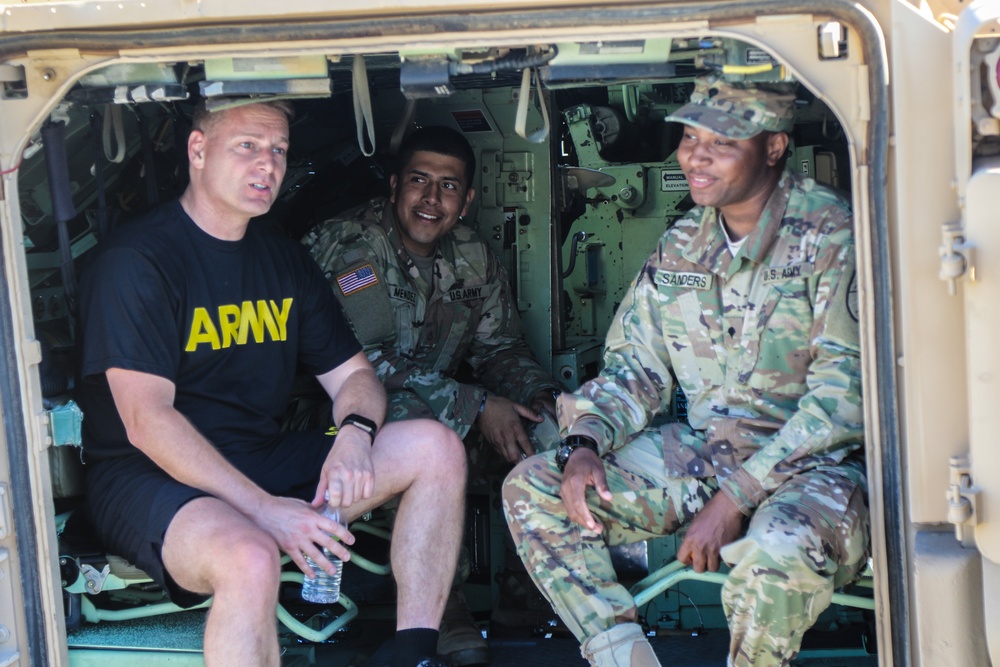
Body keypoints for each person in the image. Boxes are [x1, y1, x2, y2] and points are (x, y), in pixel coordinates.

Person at [76, 99, 465, 667]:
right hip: (147, 477)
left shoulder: (281, 258)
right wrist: (264, 509)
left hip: (258, 456)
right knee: (251, 555)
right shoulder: (139, 260)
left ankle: (413, 654)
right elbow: (146, 420)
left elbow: (355, 376)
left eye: (279, 151)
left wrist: (355, 434)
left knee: (436, 448)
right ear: (198, 151)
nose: (268, 165)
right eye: (248, 147)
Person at [503, 76, 869, 667]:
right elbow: (635, 366)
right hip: (709, 453)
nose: (694, 155)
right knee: (536, 488)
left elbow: (843, 403)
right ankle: (622, 658)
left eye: (720, 142)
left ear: (774, 147)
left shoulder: (833, 235)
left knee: (775, 548)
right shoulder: (683, 246)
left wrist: (732, 500)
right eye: (690, 136)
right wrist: (585, 441)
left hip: (818, 468)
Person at [303, 125, 563, 666]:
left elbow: (500, 349)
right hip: (338, 424)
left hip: (439, 409)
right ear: (395, 185)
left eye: (448, 186)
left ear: (466, 200)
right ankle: (444, 610)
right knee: (422, 425)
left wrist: (544, 401)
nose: (431, 198)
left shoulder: (472, 253)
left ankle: (530, 601)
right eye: (419, 180)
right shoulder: (353, 245)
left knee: (546, 433)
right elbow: (366, 366)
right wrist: (475, 406)